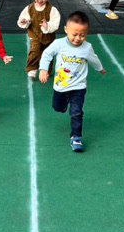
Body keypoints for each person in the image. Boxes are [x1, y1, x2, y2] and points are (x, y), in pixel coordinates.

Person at [39, 11, 106, 152]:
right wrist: (44, 69)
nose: (78, 38)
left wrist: (100, 69)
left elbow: (94, 59)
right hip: (61, 86)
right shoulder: (59, 44)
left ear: (87, 33)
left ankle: (76, 137)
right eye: (74, 34)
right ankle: (62, 106)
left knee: (77, 113)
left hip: (79, 87)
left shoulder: (87, 47)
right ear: (66, 30)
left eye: (82, 35)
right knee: (57, 107)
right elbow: (47, 54)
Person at [19, 0, 61, 79]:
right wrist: (25, 21)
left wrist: (48, 26)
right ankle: (32, 68)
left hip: (48, 37)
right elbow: (23, 19)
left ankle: (46, 70)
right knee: (35, 49)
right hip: (35, 35)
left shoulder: (52, 9)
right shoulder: (29, 8)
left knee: (48, 53)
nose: (40, 0)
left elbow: (55, 23)